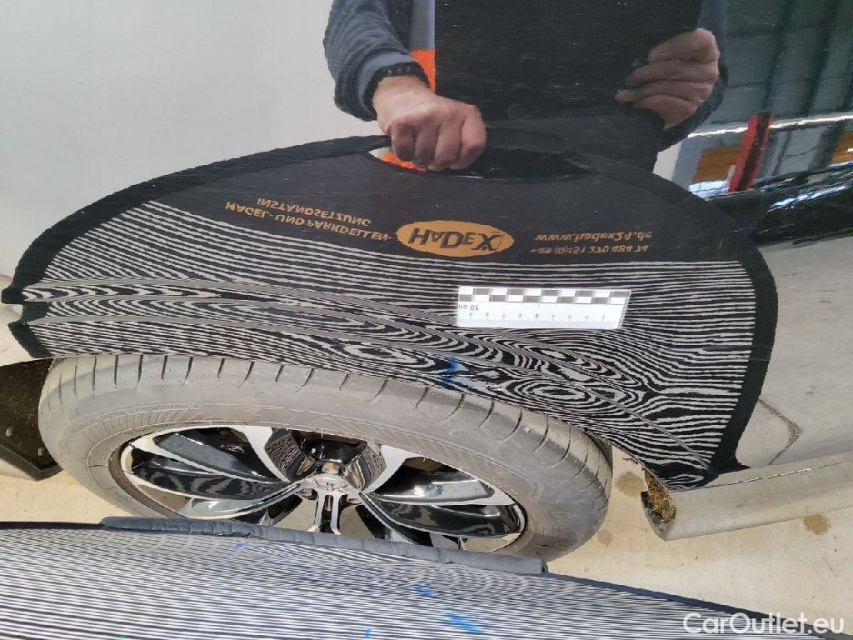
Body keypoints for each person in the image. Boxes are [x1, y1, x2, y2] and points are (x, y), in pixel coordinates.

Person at [325, 0, 726, 172]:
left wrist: (686, 101)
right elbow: (359, 14)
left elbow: (712, 72)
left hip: (602, 185)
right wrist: (396, 86)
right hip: (437, 175)